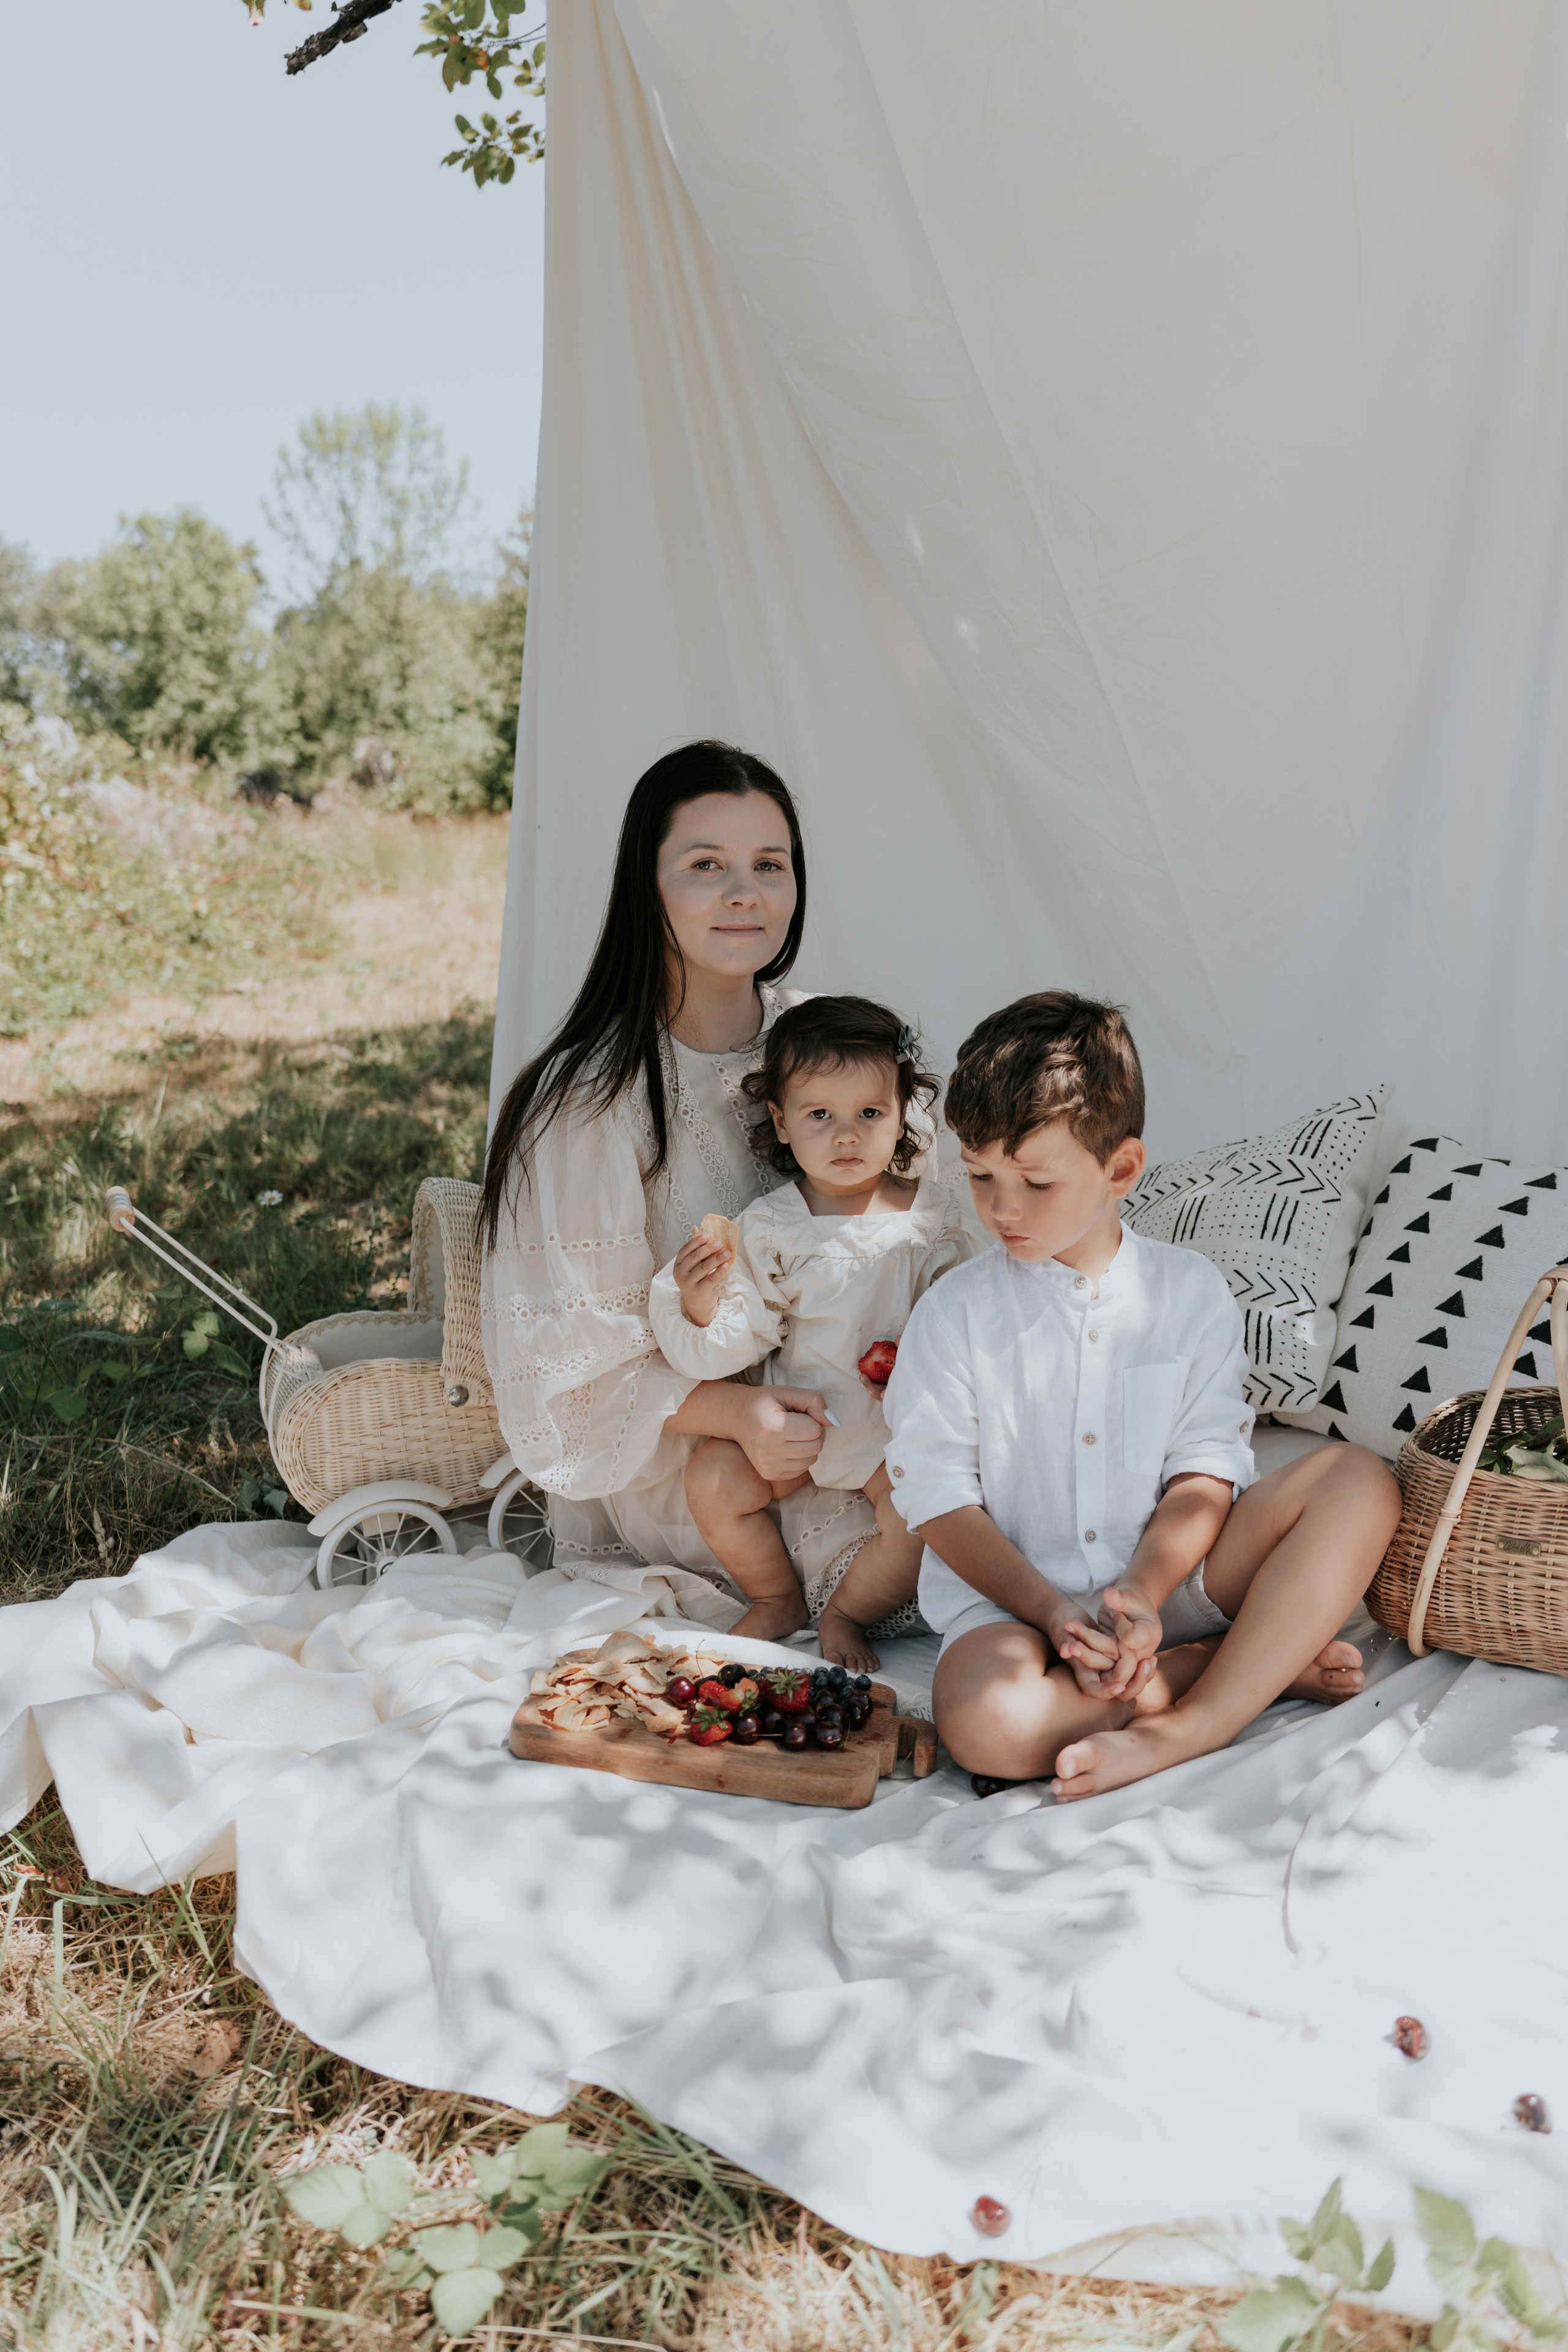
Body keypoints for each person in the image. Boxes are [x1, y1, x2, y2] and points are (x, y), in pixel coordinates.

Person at [883, 991, 1403, 1801]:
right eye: (981, 1177)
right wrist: (1053, 1611)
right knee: (991, 1727)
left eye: (1035, 1182)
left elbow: (1207, 1468)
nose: (1002, 1209)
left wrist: (1145, 1596)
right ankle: (1234, 1672)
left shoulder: (1187, 1293)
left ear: (1120, 1169)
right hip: (1017, 1615)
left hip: (1173, 1590)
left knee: (1359, 1481)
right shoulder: (953, 1313)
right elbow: (938, 1498)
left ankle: (1198, 1722)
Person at [478, 740, 843, 1599]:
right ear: (650, 886)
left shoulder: (831, 1044)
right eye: (705, 864)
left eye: (769, 864)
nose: (744, 892)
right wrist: (739, 1414)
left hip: (845, 1406)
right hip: (691, 1455)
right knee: (915, 1556)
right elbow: (565, 1355)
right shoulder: (592, 1099)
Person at [648, 997, 980, 1669]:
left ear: (902, 1115)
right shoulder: (774, 1226)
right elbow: (745, 1335)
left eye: (869, 1114)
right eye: (820, 1115)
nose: (847, 1136)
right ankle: (775, 1598)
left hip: (894, 1433)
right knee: (712, 1480)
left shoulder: (934, 1220)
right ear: (780, 1120)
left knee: (924, 1521)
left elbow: (965, 1316)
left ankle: (848, 1613)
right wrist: (701, 1302)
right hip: (800, 1429)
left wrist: (932, 1365)